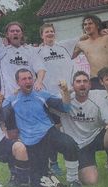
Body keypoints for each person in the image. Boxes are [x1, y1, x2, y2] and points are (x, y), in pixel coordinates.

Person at [2, 68, 81, 187]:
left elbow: (65, 107)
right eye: (24, 79)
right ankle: (41, 174)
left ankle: (73, 179)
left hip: (48, 133)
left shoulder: (42, 94)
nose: (28, 81)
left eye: (30, 78)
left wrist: (65, 91)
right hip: (29, 141)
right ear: (18, 82)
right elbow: (1, 116)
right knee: (37, 183)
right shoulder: (12, 99)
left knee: (69, 143)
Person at [58, 71, 108, 186]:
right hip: (78, 145)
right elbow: (47, 106)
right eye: (78, 82)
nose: (82, 84)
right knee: (91, 180)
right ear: (73, 85)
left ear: (90, 85)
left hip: (95, 137)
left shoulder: (98, 97)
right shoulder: (65, 99)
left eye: (85, 81)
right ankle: (79, 166)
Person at [36, 23, 78, 176]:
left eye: (51, 31)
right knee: (54, 131)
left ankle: (75, 160)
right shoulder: (37, 52)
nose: (49, 34)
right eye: (46, 32)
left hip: (68, 95)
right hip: (50, 98)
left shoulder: (64, 47)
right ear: (42, 35)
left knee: (72, 128)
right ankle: (53, 162)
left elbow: (82, 39)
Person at [0, 8, 46, 98]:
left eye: (18, 31)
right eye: (12, 31)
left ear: (21, 34)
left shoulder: (30, 50)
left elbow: (40, 68)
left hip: (31, 95)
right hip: (10, 97)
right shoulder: (2, 50)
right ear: (7, 34)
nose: (15, 33)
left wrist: (39, 81)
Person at [71, 0, 108, 89]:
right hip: (95, 79)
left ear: (97, 25)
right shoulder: (81, 44)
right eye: (85, 24)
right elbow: (67, 56)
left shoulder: (107, 36)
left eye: (90, 23)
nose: (87, 26)